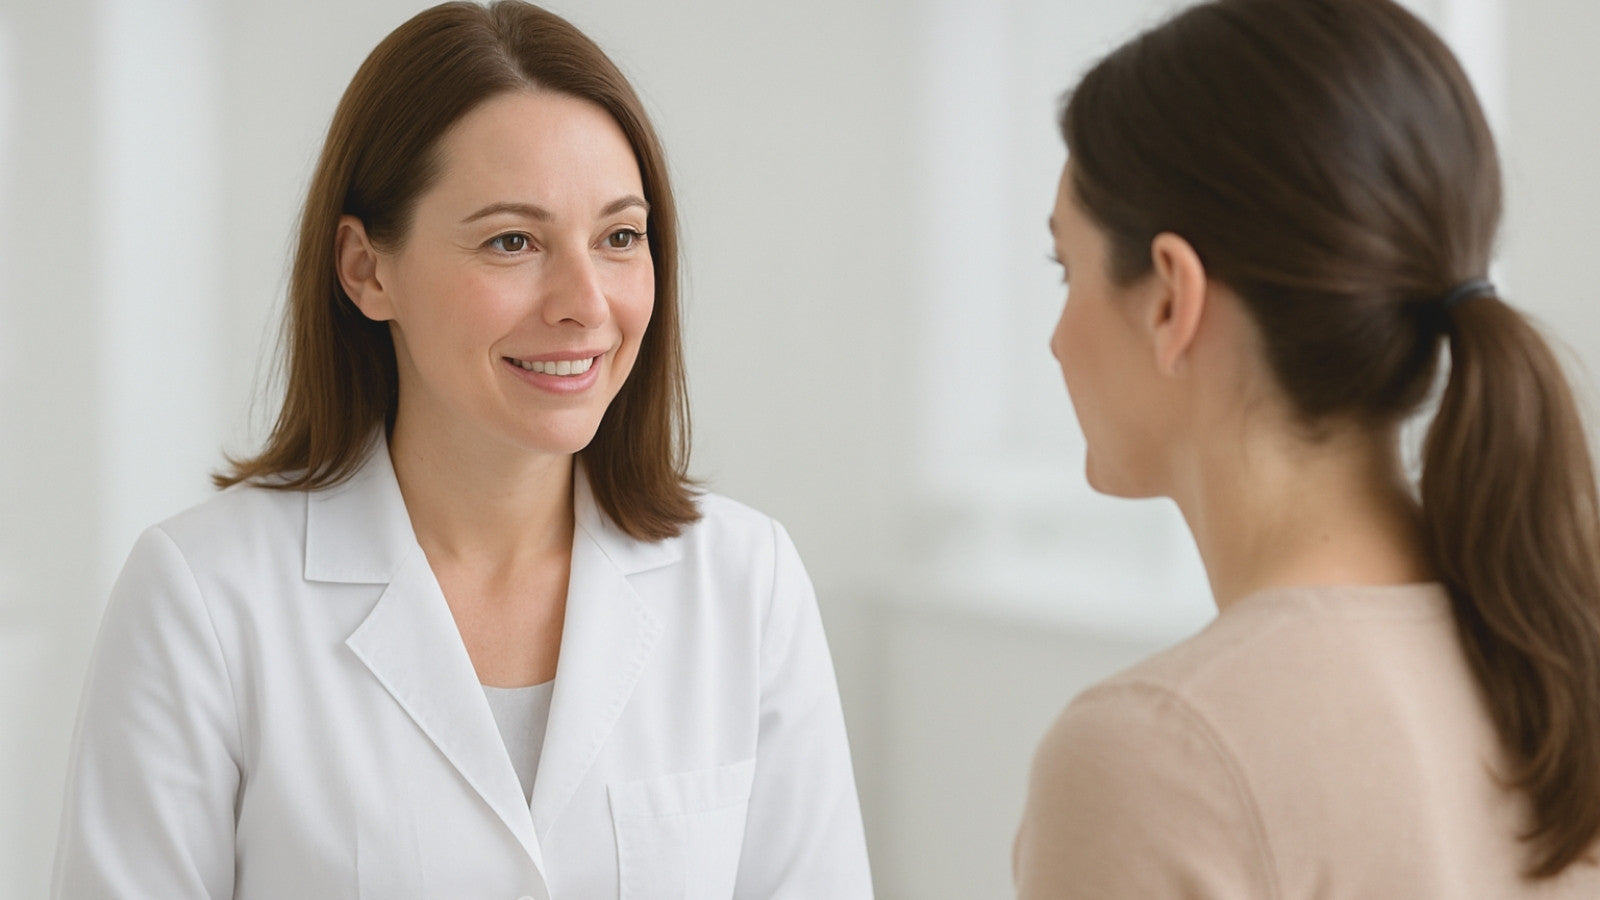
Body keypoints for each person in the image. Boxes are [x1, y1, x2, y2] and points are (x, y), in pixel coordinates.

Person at [52, 3, 872, 897]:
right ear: (367, 269)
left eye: (619, 237)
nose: (585, 303)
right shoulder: (204, 598)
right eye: (512, 241)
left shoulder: (746, 581)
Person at [1014, 0, 1600, 895]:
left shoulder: (1155, 753)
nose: (1055, 341)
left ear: (1171, 297)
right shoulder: (1550, 660)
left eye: (1068, 270)